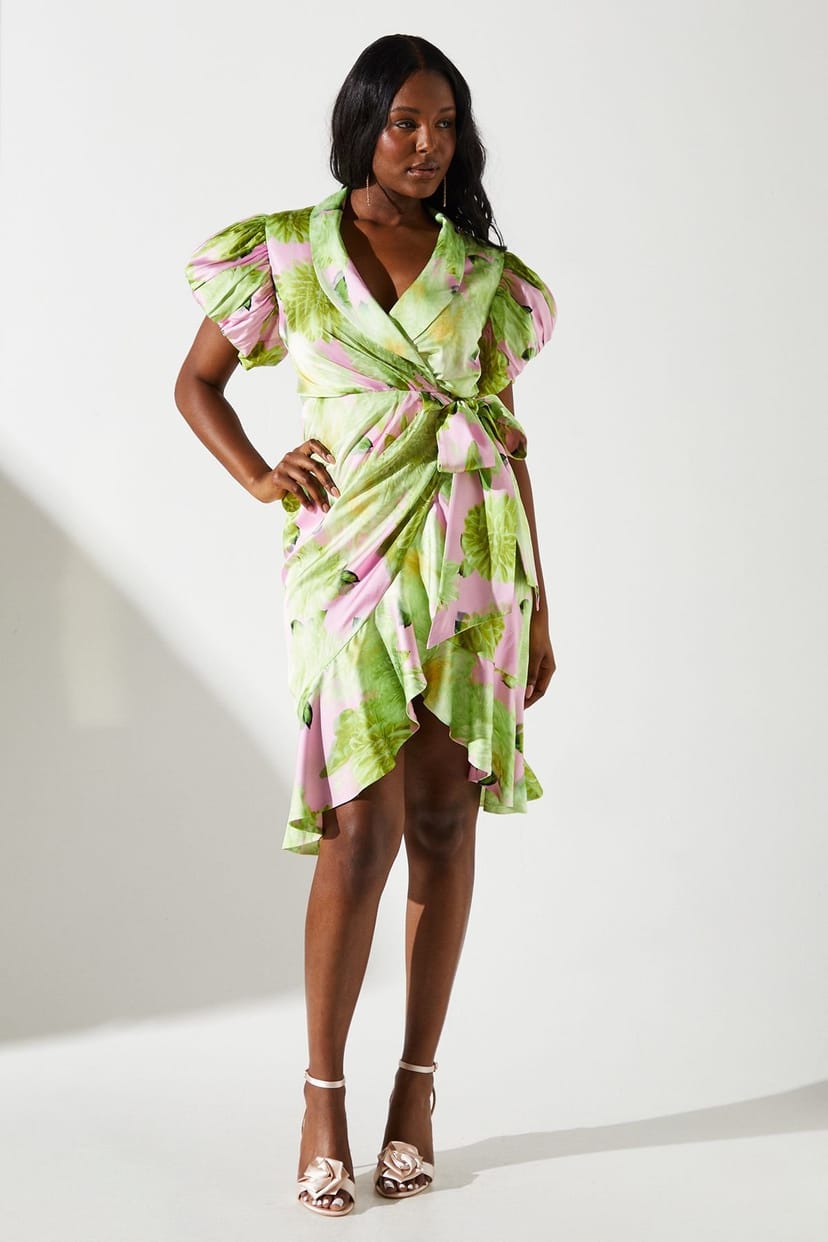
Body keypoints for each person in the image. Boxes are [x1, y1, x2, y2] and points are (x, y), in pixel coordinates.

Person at [174, 32, 557, 1217]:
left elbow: (506, 440)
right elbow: (196, 382)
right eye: (405, 122)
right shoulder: (287, 251)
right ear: (363, 126)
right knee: (358, 830)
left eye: (445, 124)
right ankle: (322, 1096)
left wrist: (542, 608)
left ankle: (416, 1093)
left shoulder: (483, 276)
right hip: (345, 560)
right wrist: (258, 475)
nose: (428, 144)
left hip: (472, 562)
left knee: (443, 820)